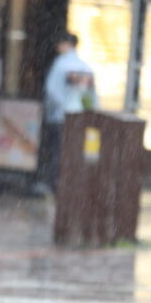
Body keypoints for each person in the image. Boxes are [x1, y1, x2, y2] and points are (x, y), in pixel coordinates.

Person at [41, 31, 97, 193]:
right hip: (80, 118)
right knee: (75, 152)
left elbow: (51, 90)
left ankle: (55, 184)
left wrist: (61, 106)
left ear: (66, 45)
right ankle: (72, 184)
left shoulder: (60, 65)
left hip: (60, 116)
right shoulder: (85, 67)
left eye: (60, 43)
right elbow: (91, 96)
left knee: (57, 152)